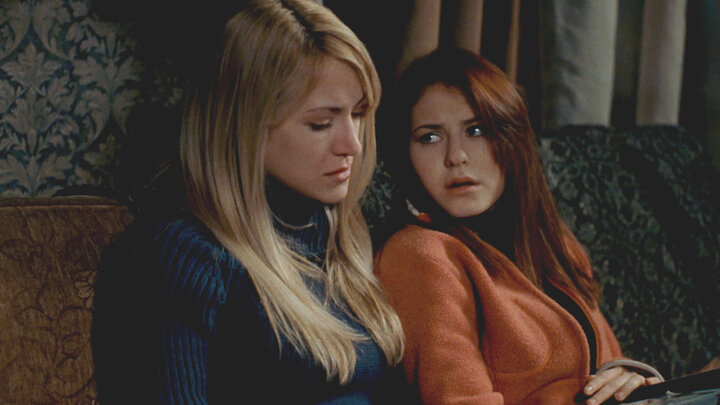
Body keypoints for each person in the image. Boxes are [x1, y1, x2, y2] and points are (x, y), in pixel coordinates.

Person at [91, 0, 405, 403]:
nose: (352, 144)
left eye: (358, 114)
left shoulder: (337, 239)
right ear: (245, 125)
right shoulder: (183, 253)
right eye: (321, 124)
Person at [375, 48, 662, 405]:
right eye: (430, 137)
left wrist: (634, 382)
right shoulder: (420, 255)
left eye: (476, 130)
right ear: (406, 154)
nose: (456, 156)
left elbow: (609, 367)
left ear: (512, 140)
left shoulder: (554, 243)